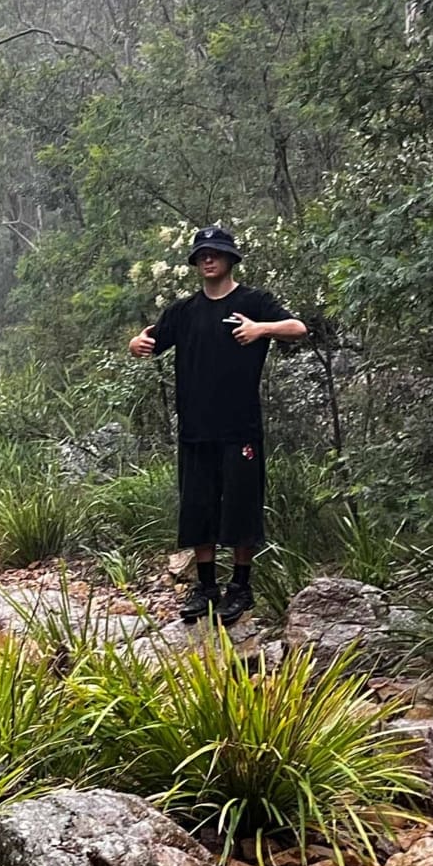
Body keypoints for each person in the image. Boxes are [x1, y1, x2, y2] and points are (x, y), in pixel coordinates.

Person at [127, 224, 309, 626]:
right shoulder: (184, 311)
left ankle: (240, 587)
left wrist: (262, 328)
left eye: (215, 252)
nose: (208, 259)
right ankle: (206, 587)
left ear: (230, 258)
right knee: (198, 508)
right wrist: (135, 344)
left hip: (240, 427)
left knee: (241, 507)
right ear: (196, 262)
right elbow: (148, 341)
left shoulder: (254, 301)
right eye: (201, 254)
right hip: (195, 428)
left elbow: (298, 329)